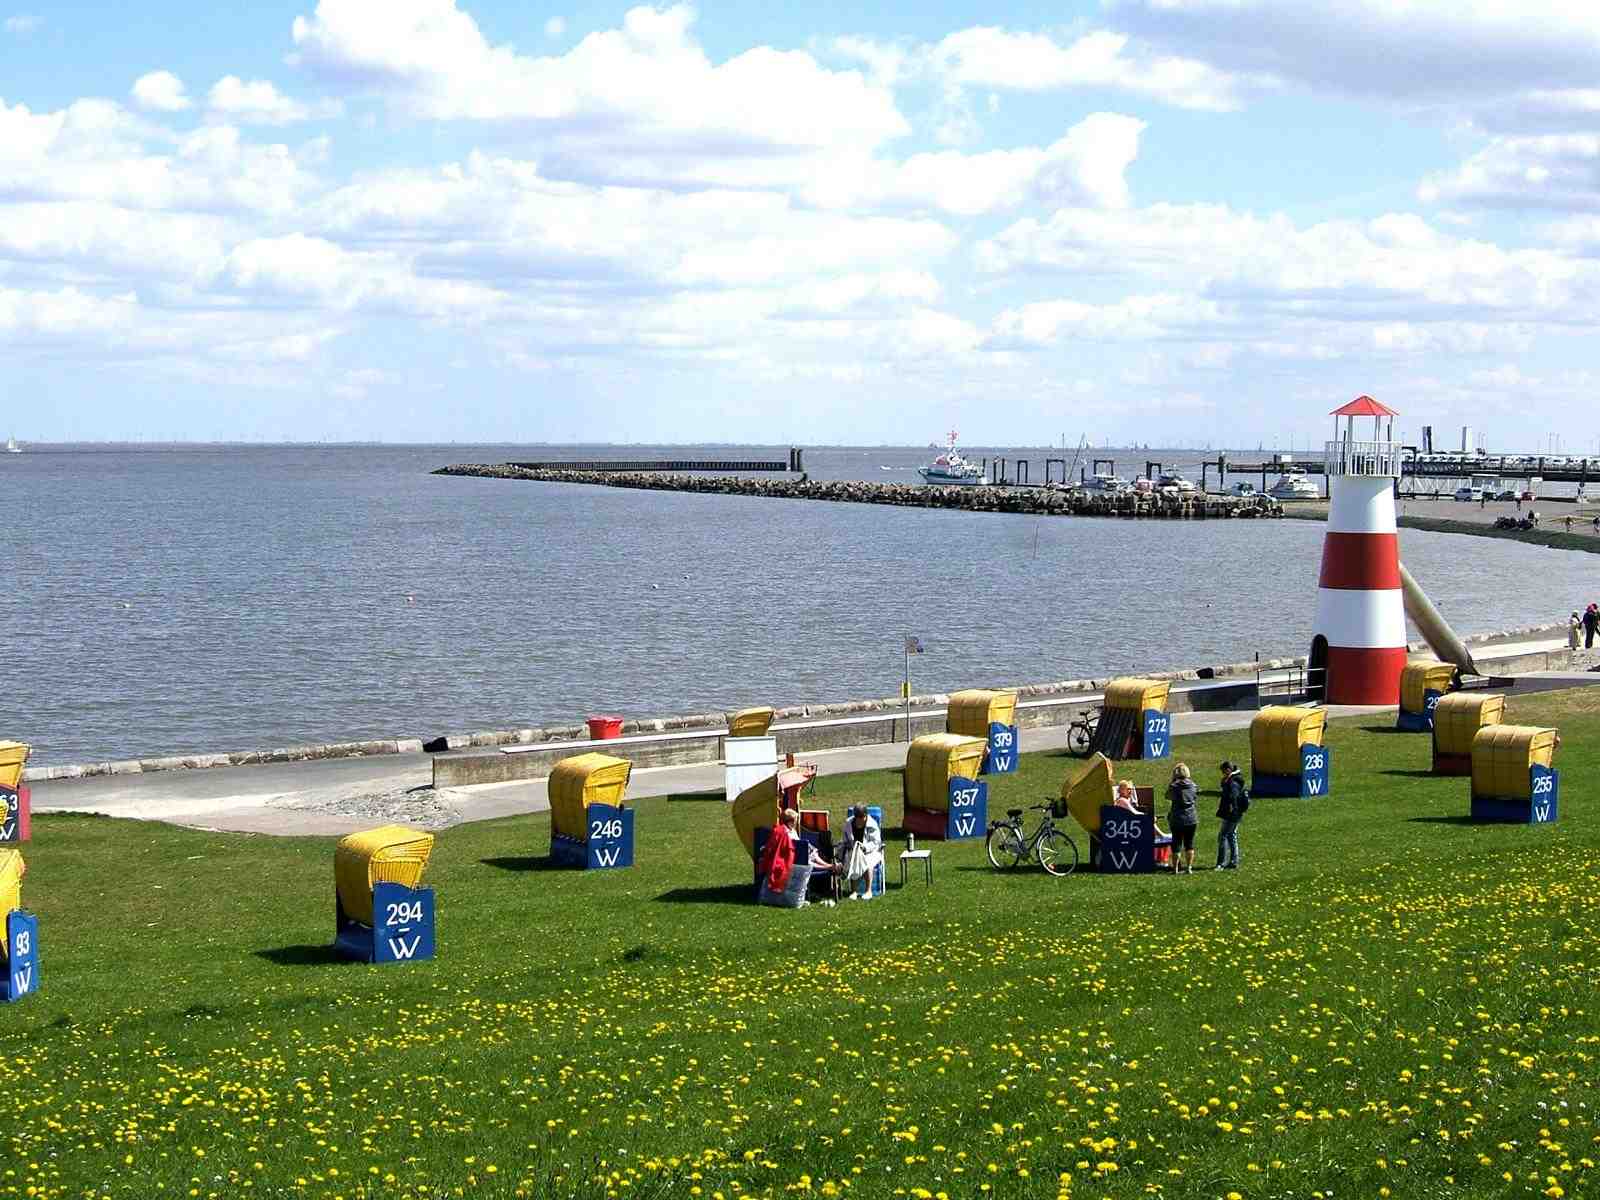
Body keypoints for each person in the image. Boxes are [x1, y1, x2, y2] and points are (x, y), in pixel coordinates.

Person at [757, 809, 819, 908]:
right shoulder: (786, 833)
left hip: (795, 858)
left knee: (812, 853)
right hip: (795, 861)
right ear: (790, 822)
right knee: (812, 855)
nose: (797, 822)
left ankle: (830, 866)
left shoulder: (784, 831)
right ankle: (830, 866)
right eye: (796, 820)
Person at [836, 804, 883, 900]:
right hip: (854, 850)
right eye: (857, 818)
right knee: (853, 860)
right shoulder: (848, 823)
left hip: (871, 851)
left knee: (868, 862)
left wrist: (865, 848)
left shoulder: (872, 824)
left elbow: (876, 842)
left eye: (862, 817)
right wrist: (849, 846)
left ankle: (868, 891)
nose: (860, 820)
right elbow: (845, 839)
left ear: (866, 815)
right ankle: (854, 891)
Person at [1165, 763, 1199, 875]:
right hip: (1191, 818)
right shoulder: (1193, 785)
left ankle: (1175, 869)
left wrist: (1171, 782)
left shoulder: (1174, 786)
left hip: (1177, 818)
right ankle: (1189, 868)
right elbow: (1194, 797)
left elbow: (1168, 796)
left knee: (1176, 844)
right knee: (1189, 844)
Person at [1214, 761, 1248, 870]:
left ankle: (1221, 863)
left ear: (1228, 770)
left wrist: (1231, 808)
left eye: (1224, 772)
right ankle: (1234, 861)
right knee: (1231, 834)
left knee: (1222, 836)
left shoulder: (1233, 782)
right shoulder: (1235, 779)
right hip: (1237, 813)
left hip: (1232, 814)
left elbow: (1233, 796)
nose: (1223, 775)